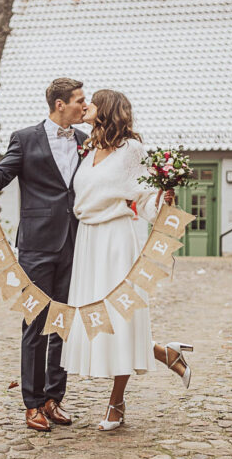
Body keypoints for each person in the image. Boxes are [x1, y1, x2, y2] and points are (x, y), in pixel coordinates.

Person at [58, 89, 193, 431]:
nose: (85, 104)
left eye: (92, 100)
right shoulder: (88, 150)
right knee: (97, 321)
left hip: (117, 238)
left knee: (118, 317)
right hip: (89, 241)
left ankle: (116, 403)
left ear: (107, 109)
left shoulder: (131, 150)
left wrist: (164, 196)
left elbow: (145, 200)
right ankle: (165, 353)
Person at [0, 78, 89, 432]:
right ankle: (32, 403)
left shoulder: (85, 142)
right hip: (36, 245)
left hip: (75, 242)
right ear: (59, 104)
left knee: (62, 323)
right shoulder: (25, 137)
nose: (84, 105)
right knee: (36, 323)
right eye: (79, 101)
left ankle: (54, 398)